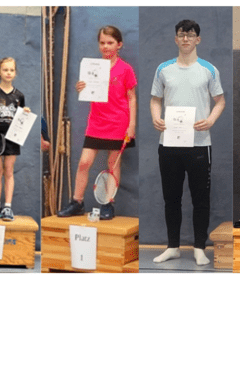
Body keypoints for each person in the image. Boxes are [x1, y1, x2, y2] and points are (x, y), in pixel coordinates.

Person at [150, 19, 225, 266]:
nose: (185, 39)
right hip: (169, 144)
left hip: (199, 145)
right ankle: (172, 247)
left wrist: (210, 120)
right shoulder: (163, 69)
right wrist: (156, 117)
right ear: (175, 39)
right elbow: (155, 99)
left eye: (190, 35)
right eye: (181, 35)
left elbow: (220, 100)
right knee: (171, 198)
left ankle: (199, 248)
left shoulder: (209, 70)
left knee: (200, 199)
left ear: (197, 39)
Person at [57, 26, 137, 220]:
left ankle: (108, 203)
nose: (105, 46)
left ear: (119, 44)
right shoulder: (92, 68)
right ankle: (77, 202)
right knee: (84, 162)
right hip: (96, 122)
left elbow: (132, 98)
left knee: (112, 164)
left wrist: (132, 125)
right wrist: (81, 87)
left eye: (110, 42)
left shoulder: (126, 69)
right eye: (102, 43)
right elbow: (88, 92)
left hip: (118, 123)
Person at [0, 57, 30, 222]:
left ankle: (7, 207)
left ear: (15, 73)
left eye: (11, 70)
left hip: (12, 137)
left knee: (9, 170)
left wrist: (25, 112)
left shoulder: (19, 96)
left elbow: (21, 117)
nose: (8, 73)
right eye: (5, 70)